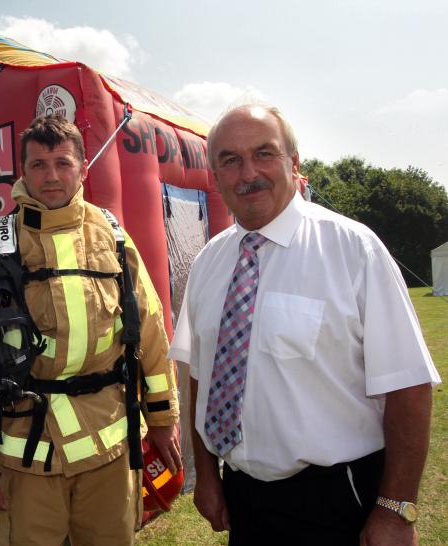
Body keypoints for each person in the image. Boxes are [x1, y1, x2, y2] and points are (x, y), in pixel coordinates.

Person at [169, 104, 441, 546]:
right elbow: (202, 375)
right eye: (230, 160)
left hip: (339, 499)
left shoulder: (353, 249)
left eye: (264, 153)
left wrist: (396, 509)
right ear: (214, 177)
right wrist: (208, 475)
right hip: (244, 499)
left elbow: (407, 385)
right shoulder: (208, 262)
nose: (248, 173)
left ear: (294, 163)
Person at [0, 114, 181, 546]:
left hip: (109, 453)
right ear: (23, 172)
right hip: (27, 456)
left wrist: (163, 418)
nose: (51, 175)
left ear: (83, 169)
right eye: (38, 164)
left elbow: (149, 334)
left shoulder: (114, 240)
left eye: (62, 163)